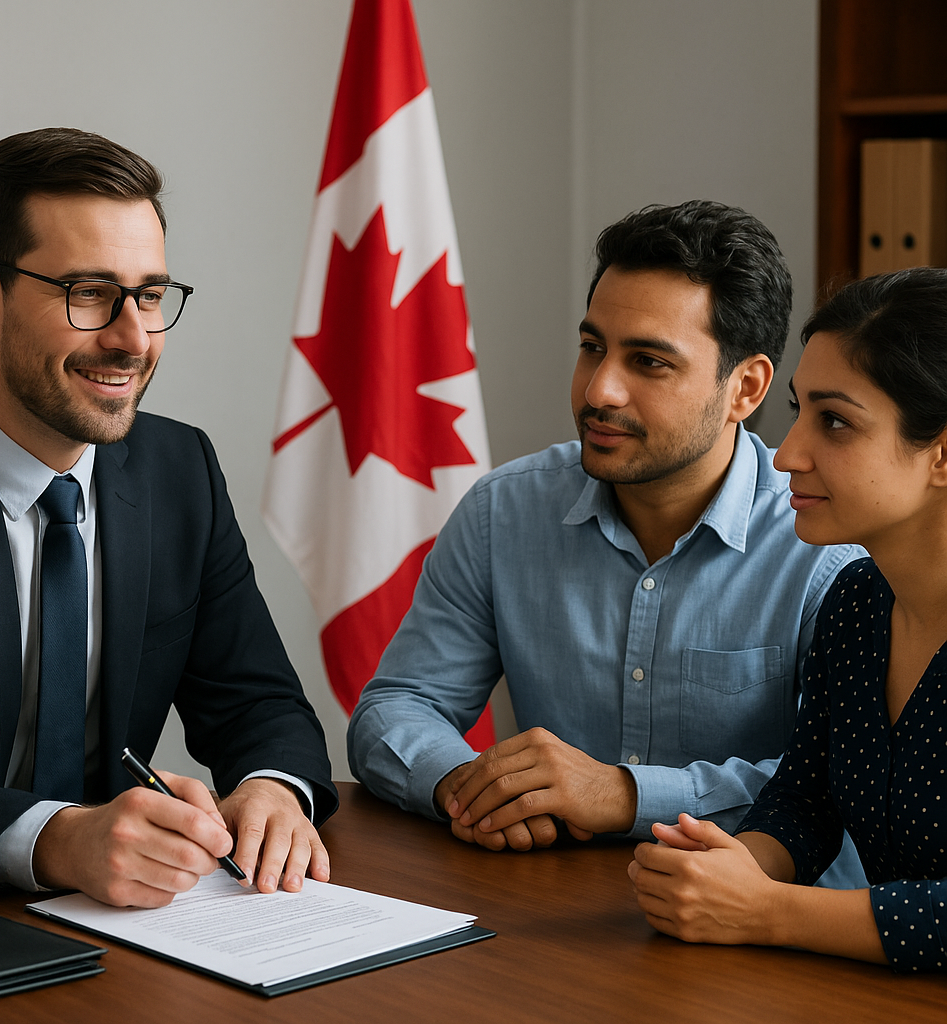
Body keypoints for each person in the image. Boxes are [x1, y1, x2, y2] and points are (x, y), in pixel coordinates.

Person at [347, 200, 863, 878]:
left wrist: (622, 796)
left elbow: (833, 791)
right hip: (546, 914)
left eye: (648, 362)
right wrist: (466, 789)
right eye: (593, 348)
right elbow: (398, 706)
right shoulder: (504, 512)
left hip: (758, 935)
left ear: (745, 388)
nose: (599, 390)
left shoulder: (828, 547)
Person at [0, 128, 338, 907]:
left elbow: (258, 701)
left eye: (150, 295)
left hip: (118, 930)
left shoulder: (180, 470)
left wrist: (273, 790)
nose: (134, 338)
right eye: (88, 293)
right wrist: (50, 839)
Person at [628, 267, 947, 972]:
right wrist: (718, 869)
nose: (788, 452)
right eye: (799, 411)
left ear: (942, 454)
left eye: (834, 421)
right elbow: (802, 804)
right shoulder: (859, 600)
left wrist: (765, 910)